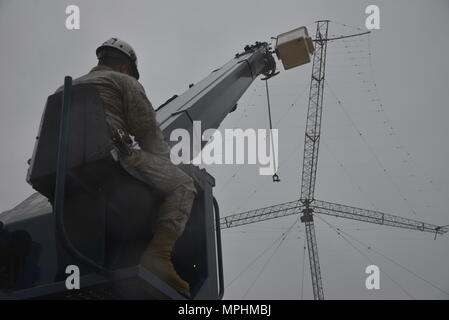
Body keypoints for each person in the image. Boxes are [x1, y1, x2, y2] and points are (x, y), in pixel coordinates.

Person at [57, 38, 196, 296]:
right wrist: (159, 173)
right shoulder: (125, 82)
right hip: (109, 158)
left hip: (57, 171)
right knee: (183, 184)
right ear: (124, 68)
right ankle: (158, 255)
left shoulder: (61, 90)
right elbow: (150, 138)